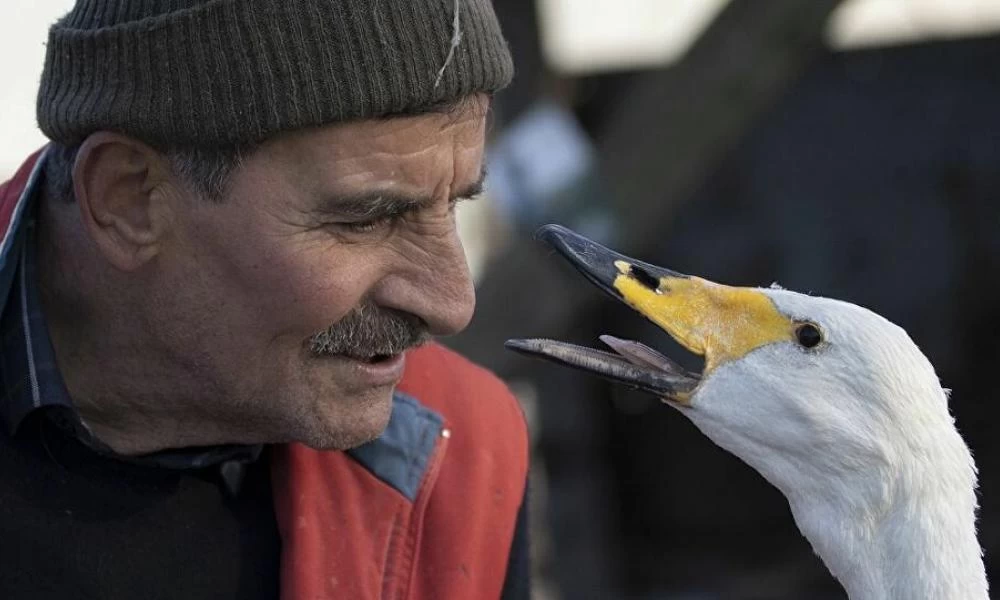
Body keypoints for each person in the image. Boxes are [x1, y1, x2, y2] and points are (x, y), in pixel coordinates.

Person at [0, 1, 529, 599]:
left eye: (457, 203)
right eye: (367, 219)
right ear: (129, 199)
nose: (453, 303)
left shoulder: (461, 458)